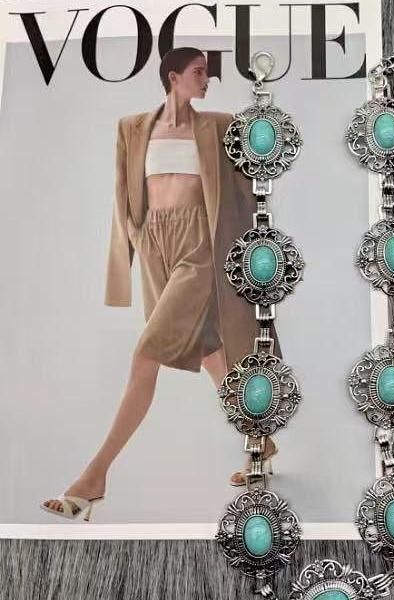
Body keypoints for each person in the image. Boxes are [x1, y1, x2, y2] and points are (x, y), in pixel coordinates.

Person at [41, 47, 279, 521]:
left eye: (208, 73)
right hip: (155, 245)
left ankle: (94, 477)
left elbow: (260, 159)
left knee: (146, 354)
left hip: (200, 245)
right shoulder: (133, 127)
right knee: (209, 353)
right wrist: (134, 235)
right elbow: (123, 188)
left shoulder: (219, 125)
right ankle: (260, 440)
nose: (206, 79)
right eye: (198, 71)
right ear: (173, 76)